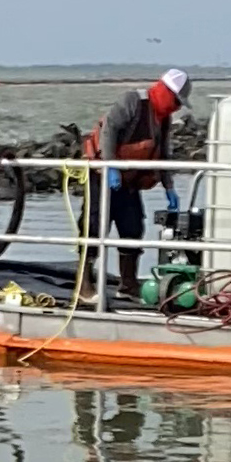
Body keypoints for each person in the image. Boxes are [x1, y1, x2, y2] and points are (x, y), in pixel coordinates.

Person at [92, 68, 191, 300]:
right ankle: (85, 284)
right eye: (175, 100)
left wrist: (169, 186)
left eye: (179, 103)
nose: (176, 106)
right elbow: (109, 130)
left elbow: (164, 152)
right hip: (102, 176)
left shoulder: (164, 119)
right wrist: (110, 165)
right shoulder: (133, 101)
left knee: (133, 228)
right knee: (94, 228)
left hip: (130, 181)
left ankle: (128, 286)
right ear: (164, 91)